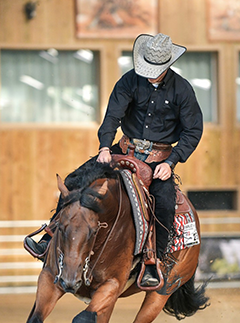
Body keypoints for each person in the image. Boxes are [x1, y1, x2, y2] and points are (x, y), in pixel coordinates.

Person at [26, 33, 203, 288]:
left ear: (167, 66)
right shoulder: (129, 81)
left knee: (164, 202)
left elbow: (193, 131)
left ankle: (155, 261)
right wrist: (104, 146)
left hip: (159, 160)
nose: (150, 73)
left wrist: (172, 161)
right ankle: (50, 235)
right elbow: (112, 117)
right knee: (75, 180)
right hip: (123, 149)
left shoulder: (182, 90)